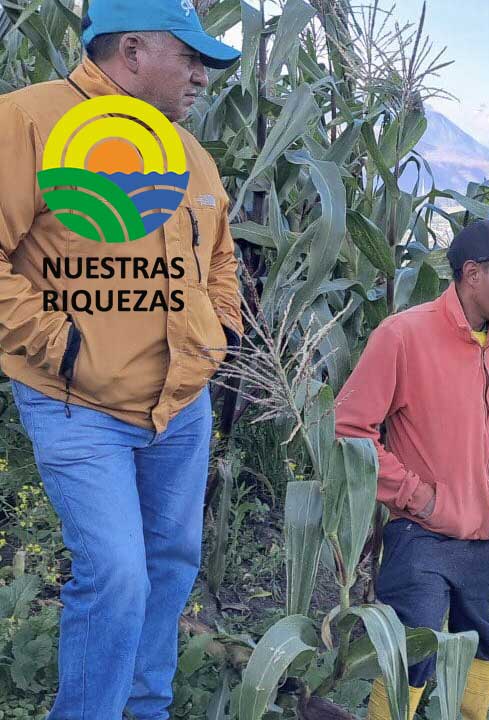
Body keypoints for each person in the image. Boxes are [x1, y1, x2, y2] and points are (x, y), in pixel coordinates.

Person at [0, 1, 241, 717]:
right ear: (132, 51)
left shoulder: (189, 153)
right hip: (80, 404)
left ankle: (145, 707)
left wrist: (220, 332)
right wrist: (63, 344)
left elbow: (220, 257)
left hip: (181, 408)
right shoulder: (29, 122)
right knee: (116, 575)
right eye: (189, 58)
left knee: (169, 565)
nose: (202, 76)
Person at [335, 218, 489, 720]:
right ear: (472, 274)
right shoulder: (403, 335)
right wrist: (418, 497)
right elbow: (349, 429)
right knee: (412, 653)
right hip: (425, 535)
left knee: (481, 642)